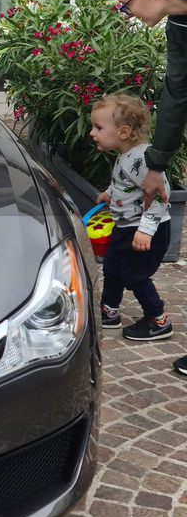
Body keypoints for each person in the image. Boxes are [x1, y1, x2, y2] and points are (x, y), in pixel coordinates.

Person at [106, 0, 187, 370]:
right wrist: (155, 165)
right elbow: (176, 93)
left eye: (126, 4)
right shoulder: (179, 22)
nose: (127, 13)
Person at [90, 93, 172, 341]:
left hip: (144, 230)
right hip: (125, 226)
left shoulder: (143, 159)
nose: (92, 133)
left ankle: (158, 320)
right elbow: (126, 184)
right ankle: (110, 311)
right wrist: (109, 192)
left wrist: (146, 230)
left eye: (98, 127)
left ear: (123, 132)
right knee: (113, 268)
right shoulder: (127, 156)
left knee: (135, 275)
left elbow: (161, 195)